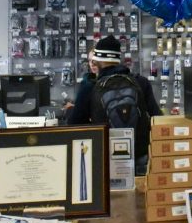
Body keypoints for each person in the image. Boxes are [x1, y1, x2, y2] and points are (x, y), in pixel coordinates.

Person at [69, 35, 161, 174]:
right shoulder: (140, 82)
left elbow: (74, 125)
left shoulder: (90, 87)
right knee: (139, 194)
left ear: (97, 61)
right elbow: (157, 118)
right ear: (118, 59)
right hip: (139, 157)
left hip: (104, 157)